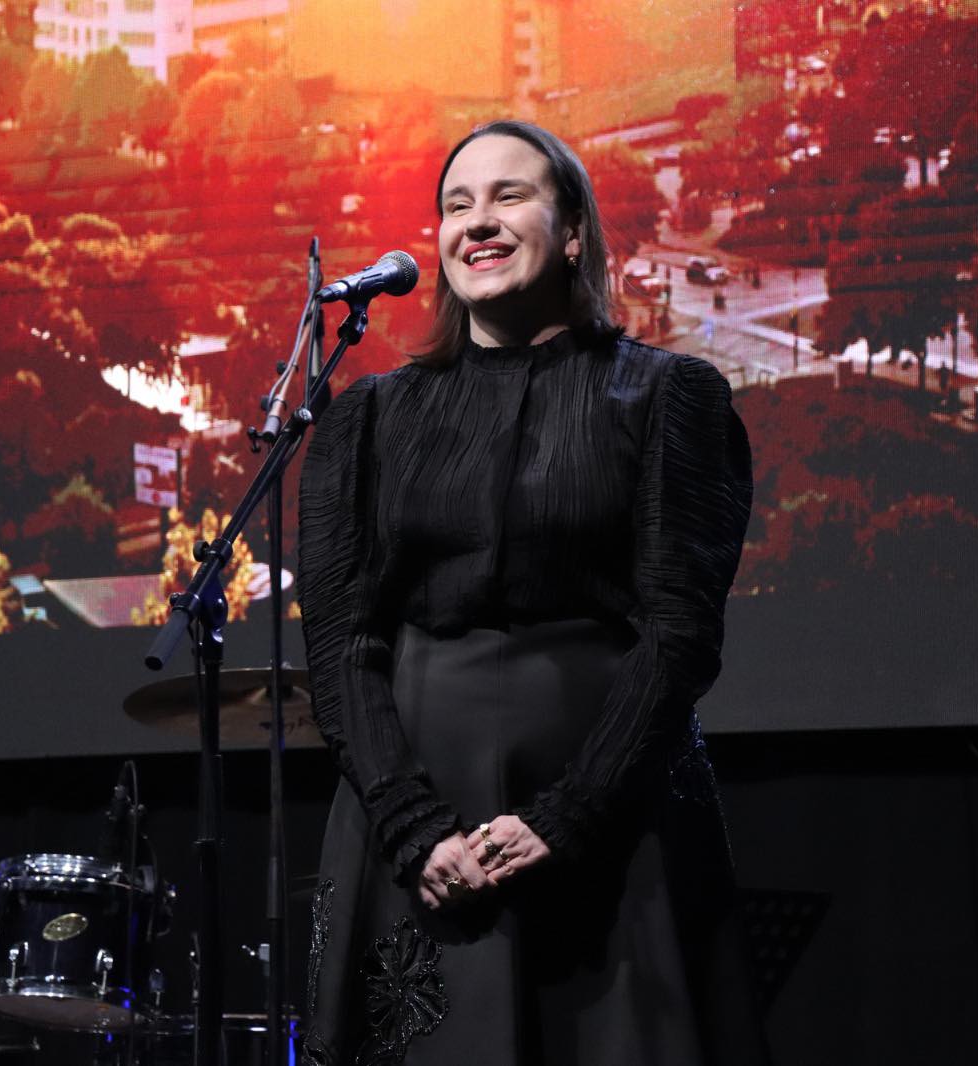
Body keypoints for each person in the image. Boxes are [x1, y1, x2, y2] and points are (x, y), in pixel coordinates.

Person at [296, 120, 765, 1066]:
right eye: (456, 205)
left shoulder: (668, 398)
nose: (478, 222)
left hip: (609, 805)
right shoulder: (368, 420)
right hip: (410, 813)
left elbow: (679, 633)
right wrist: (410, 825)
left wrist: (570, 814)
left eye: (509, 196)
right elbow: (344, 641)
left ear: (575, 232)